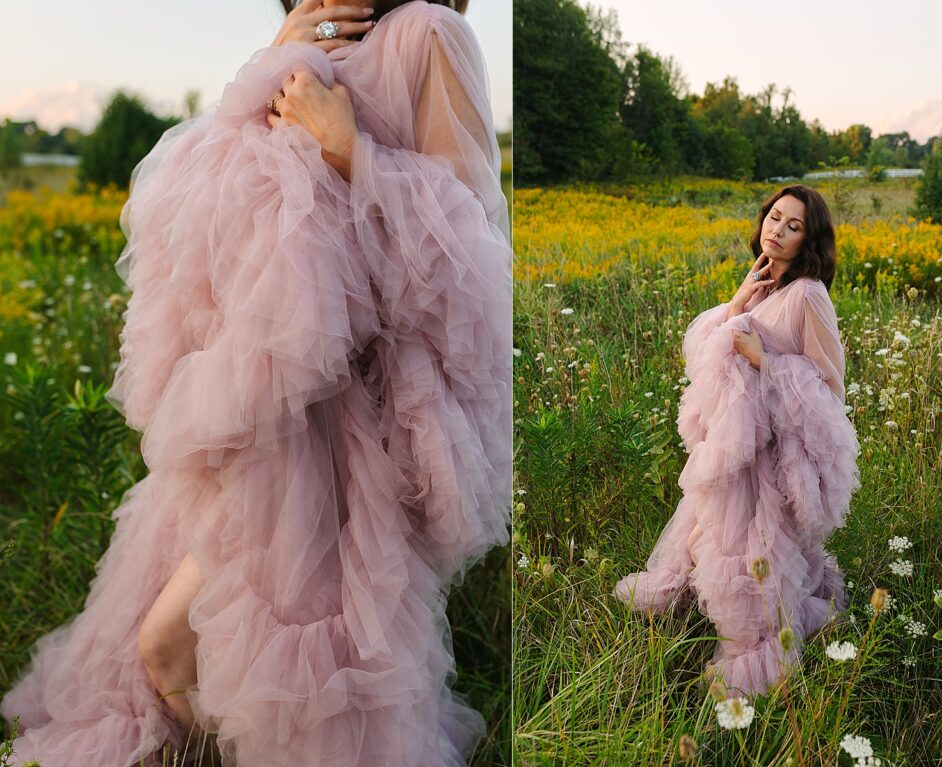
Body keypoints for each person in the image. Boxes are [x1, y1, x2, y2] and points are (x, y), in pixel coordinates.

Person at [0, 1, 511, 765]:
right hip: (263, 399)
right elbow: (200, 208)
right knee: (170, 653)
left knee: (186, 648)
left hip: (350, 409)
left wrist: (349, 151)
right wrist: (267, 65)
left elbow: (471, 245)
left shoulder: (430, 32)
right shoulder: (309, 32)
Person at [613, 185, 861, 697]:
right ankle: (714, 607)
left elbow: (831, 385)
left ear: (809, 239)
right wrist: (740, 302)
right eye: (775, 218)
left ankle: (756, 657)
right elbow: (710, 352)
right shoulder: (765, 281)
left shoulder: (809, 294)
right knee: (716, 533)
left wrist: (763, 361)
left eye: (794, 226)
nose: (778, 230)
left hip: (771, 451)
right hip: (739, 444)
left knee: (758, 549)